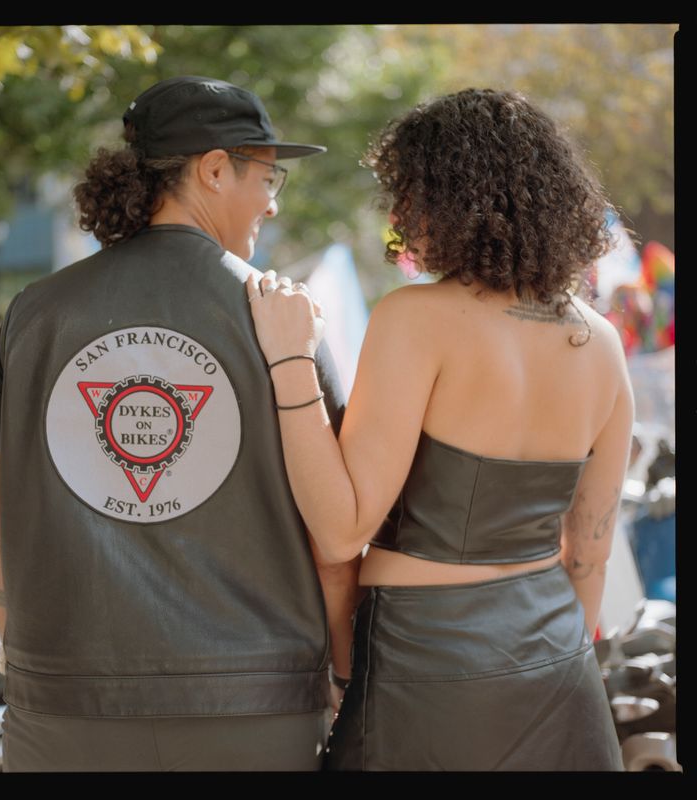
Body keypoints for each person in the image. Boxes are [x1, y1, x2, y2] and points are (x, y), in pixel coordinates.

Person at [246, 88, 633, 770]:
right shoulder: (601, 342)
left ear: (454, 198)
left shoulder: (415, 318)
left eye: (409, 194)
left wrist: (288, 361)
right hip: (558, 662)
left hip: (427, 662)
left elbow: (341, 530)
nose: (398, 219)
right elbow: (589, 557)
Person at [0, 75, 352, 771]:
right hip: (254, 713)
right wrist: (343, 675)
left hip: (61, 715)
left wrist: (31, 663)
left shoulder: (31, 314)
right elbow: (334, 545)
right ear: (214, 169)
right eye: (270, 176)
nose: (272, 200)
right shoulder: (285, 320)